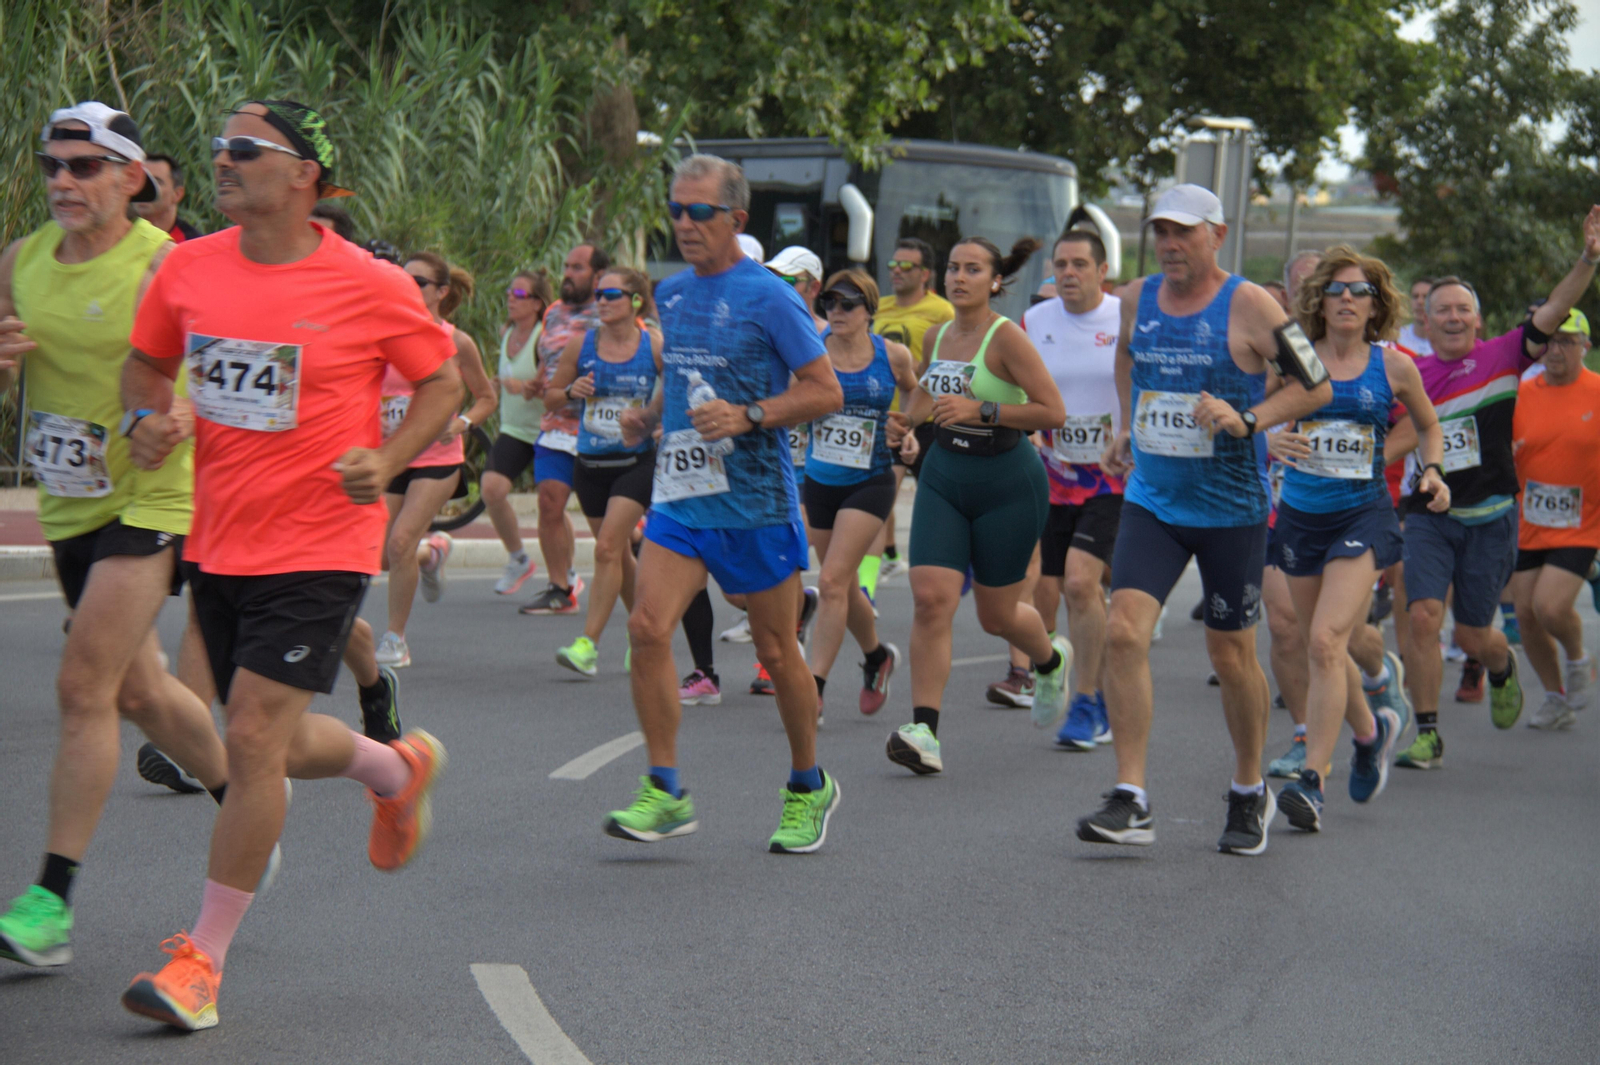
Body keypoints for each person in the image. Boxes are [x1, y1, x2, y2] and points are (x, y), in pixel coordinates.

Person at [117, 99, 457, 1030]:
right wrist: (145, 421)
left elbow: (444, 382)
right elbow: (146, 367)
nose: (220, 160)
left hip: (319, 542)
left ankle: (203, 962)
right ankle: (391, 770)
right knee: (250, 736)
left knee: (256, 739)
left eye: (244, 149)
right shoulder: (185, 267)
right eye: (219, 145)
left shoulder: (368, 283)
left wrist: (388, 464)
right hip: (220, 537)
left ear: (306, 173)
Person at [0, 101, 240, 970]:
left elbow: (208, 374)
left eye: (85, 165)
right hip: (70, 498)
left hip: (150, 497)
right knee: (139, 691)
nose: (64, 181)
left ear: (131, 178)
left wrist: (172, 414)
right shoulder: (20, 262)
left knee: (82, 683)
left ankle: (49, 903)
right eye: (52, 165)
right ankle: (246, 800)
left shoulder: (165, 266)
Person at [1076, 184, 1333, 856]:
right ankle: (1131, 795)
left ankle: (1249, 788)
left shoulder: (1250, 304)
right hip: (1154, 499)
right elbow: (1127, 353)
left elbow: (1316, 384)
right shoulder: (1137, 296)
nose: (1170, 243)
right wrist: (1127, 423)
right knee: (1125, 631)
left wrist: (1249, 418)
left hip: (1232, 508)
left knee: (1232, 654)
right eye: (1161, 230)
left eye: (1184, 232)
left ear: (1217, 235)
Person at [603, 154, 844, 853]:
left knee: (775, 647)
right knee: (648, 628)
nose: (684, 223)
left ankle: (808, 783)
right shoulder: (671, 295)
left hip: (758, 503)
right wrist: (650, 417)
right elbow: (682, 374)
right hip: (683, 495)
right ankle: (665, 788)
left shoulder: (771, 296)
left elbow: (824, 390)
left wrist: (751, 415)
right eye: (676, 210)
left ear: (736, 219)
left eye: (699, 211)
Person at [1395, 206, 1599, 767]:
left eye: (1464, 308)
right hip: (1431, 516)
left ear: (1478, 321)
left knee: (1473, 632)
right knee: (1421, 617)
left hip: (1490, 519)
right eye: (1443, 310)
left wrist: (1588, 258)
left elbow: (1556, 308)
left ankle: (1501, 663)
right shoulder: (1409, 374)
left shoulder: (1505, 356)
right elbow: (1395, 437)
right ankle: (1428, 732)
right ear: (1427, 322)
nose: (1454, 317)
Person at [1264, 247, 1447, 831]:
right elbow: (1257, 416)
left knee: (1323, 641)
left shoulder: (1394, 367)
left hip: (1362, 516)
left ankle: (1314, 781)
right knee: (1327, 649)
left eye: (1360, 291)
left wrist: (1432, 470)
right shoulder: (1294, 358)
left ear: (1376, 306)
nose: (1347, 298)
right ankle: (1370, 734)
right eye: (1337, 289)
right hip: (1299, 516)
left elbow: (1426, 424)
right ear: (1319, 300)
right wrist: (1269, 440)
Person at [883, 235, 1073, 774]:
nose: (958, 277)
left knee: (996, 616)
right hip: (945, 476)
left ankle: (1049, 660)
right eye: (952, 267)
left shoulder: (1006, 338)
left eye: (972, 269)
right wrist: (908, 417)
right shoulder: (939, 333)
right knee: (930, 598)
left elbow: (1052, 412)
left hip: (1008, 482)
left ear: (995, 281)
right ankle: (925, 731)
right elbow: (925, 390)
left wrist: (982, 410)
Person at [802, 269, 917, 718]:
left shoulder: (893, 355)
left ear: (869, 309)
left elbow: (915, 394)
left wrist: (907, 429)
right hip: (820, 481)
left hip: (871, 481)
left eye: (847, 303)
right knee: (842, 582)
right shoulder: (811, 352)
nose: (837, 311)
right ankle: (876, 657)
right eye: (830, 302)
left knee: (829, 582)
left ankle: (813, 689)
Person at [372, 252, 496, 667]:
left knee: (400, 539)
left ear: (442, 292)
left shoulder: (456, 341)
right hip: (393, 454)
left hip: (438, 456)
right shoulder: (384, 334)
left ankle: (395, 639)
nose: (408, 286)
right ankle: (433, 553)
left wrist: (462, 422)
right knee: (383, 555)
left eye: (419, 282)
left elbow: (486, 397)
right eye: (402, 279)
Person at [1026, 230, 1123, 751]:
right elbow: (1018, 383)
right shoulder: (1037, 320)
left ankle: (1086, 702)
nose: (1068, 273)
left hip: (1113, 474)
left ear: (1102, 270)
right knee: (1059, 588)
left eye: (1080, 264)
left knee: (1084, 585)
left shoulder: (1123, 318)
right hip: (1053, 474)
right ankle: (1095, 683)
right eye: (1061, 263)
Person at [548, 267, 662, 676]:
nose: (601, 301)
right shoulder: (582, 345)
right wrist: (570, 391)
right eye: (598, 294)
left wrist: (653, 418)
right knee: (616, 556)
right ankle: (643, 634)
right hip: (590, 465)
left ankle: (588, 646)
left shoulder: (654, 346)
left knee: (607, 548)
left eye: (611, 294)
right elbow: (550, 397)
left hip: (635, 464)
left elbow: (675, 388)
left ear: (635, 301)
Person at [1509, 309, 1598, 730]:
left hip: (1583, 523)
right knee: (1525, 612)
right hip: (1528, 521)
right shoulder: (1522, 394)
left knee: (1549, 605)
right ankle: (1554, 697)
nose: (1557, 349)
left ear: (1586, 346)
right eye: (1550, 340)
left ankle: (1579, 658)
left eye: (1568, 340)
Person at [520, 244, 607, 614]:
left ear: (598, 276)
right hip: (556, 423)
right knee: (549, 501)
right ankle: (560, 587)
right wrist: (538, 380)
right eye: (566, 266)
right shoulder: (553, 312)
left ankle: (640, 570)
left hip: (600, 429)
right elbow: (550, 355)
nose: (567, 274)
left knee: (605, 522)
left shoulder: (611, 311)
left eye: (577, 267)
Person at [871, 237, 955, 582]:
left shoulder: (942, 312)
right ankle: (867, 583)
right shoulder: (879, 307)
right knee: (878, 501)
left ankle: (947, 567)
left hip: (929, 420)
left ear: (925, 274)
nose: (897, 271)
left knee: (938, 504)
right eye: (893, 265)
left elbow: (949, 362)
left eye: (906, 266)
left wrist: (913, 370)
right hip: (888, 418)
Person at [484, 269, 553, 594]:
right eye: (510, 293)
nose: (511, 298)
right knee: (491, 490)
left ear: (538, 303)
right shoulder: (505, 332)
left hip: (545, 430)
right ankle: (519, 559)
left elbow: (557, 388)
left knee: (552, 503)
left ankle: (564, 573)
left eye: (520, 295)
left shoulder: (545, 339)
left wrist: (524, 386)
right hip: (514, 430)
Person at [135, 153, 203, 242]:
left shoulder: (192, 243)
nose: (144, 188)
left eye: (156, 182)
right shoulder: (118, 235)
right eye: (141, 180)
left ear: (177, 194)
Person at [1396, 277, 1434, 355]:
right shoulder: (1397, 338)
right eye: (1415, 296)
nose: (1420, 302)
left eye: (1426, 297)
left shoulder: (1447, 341)